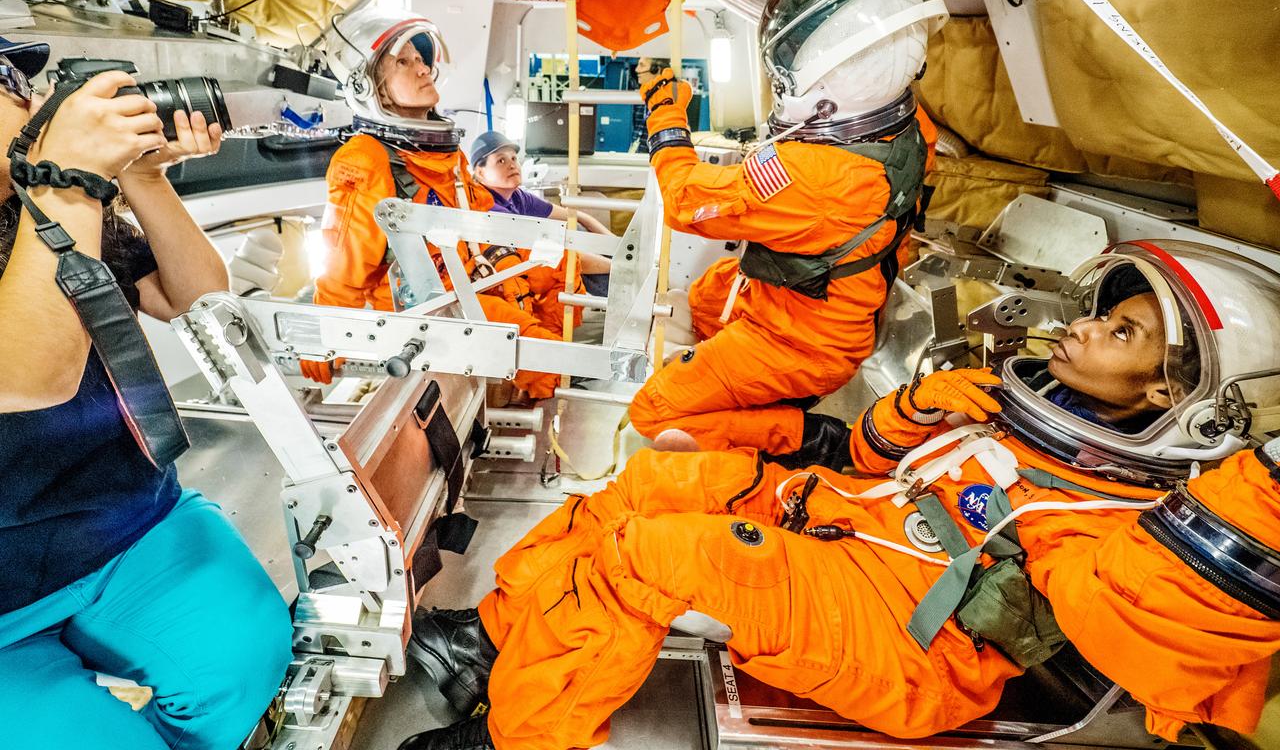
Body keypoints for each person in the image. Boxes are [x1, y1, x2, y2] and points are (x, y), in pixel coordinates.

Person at [398, 240, 1280, 750]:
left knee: (644, 559)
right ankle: (489, 641)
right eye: (1102, 311)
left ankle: (517, 738)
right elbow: (870, 455)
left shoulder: (1112, 517)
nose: (1083, 327)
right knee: (653, 481)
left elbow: (1152, 616)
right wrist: (921, 408)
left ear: (1171, 394)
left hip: (909, 646)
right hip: (852, 529)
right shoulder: (1019, 414)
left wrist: (1268, 488)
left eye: (1120, 333)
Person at [0, 41, 292, 749]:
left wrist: (143, 179)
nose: (33, 100)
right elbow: (24, 381)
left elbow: (195, 299)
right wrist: (68, 180)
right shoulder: (58, 197)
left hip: (121, 517)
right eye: (8, 81)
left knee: (243, 664)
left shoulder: (44, 207)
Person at [627, 0, 944, 457]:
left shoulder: (811, 175)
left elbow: (685, 201)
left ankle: (817, 440)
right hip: (823, 308)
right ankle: (729, 387)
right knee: (707, 292)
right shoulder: (913, 129)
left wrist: (665, 114)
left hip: (801, 346)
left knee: (654, 414)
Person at [311, 10, 560, 398]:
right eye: (403, 62)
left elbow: (480, 218)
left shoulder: (446, 154)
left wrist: (525, 262)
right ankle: (544, 397)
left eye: (421, 59)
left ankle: (524, 393)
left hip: (469, 280)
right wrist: (325, 338)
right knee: (546, 358)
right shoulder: (365, 160)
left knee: (561, 268)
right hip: (429, 311)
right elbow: (344, 263)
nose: (423, 68)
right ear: (373, 90)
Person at [470, 129, 611, 306]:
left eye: (513, 158)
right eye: (501, 160)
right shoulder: (490, 208)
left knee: (574, 228)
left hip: (538, 264)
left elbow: (575, 217)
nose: (512, 165)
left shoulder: (517, 196)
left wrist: (621, 247)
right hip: (512, 278)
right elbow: (564, 257)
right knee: (573, 260)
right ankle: (627, 293)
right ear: (480, 173)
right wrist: (620, 266)